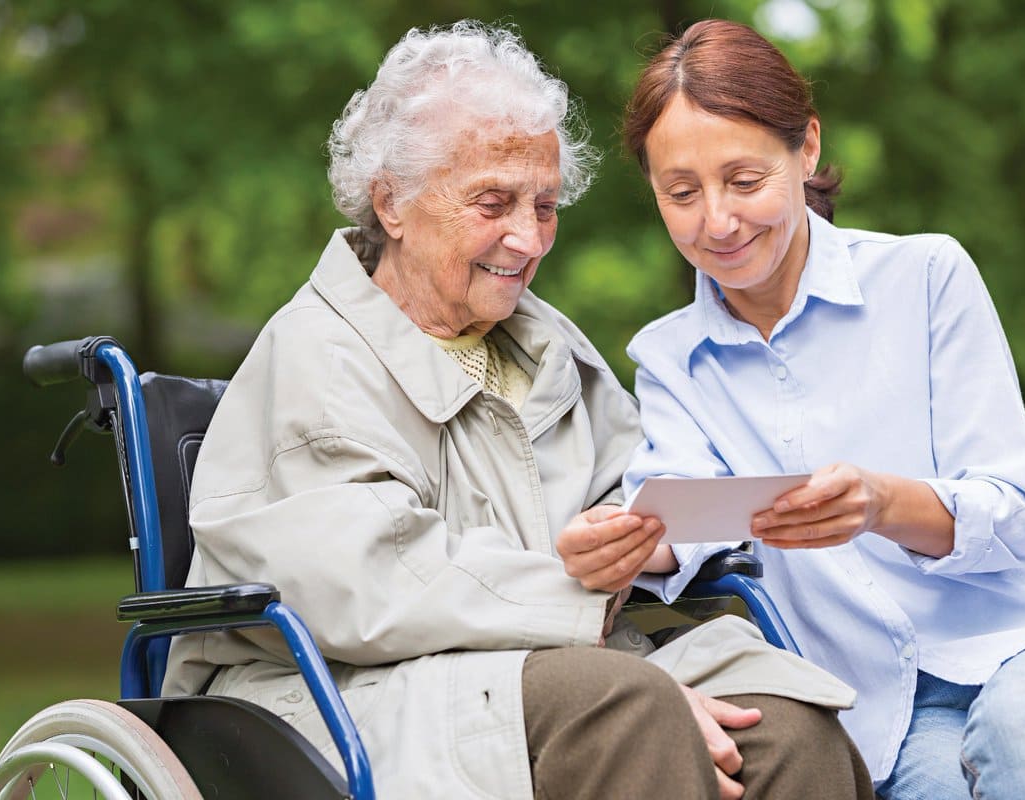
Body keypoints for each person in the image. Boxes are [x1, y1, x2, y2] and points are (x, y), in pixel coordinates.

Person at [162, 20, 874, 800]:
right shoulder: (316, 355)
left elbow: (629, 491)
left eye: (544, 204)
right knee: (629, 711)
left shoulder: (545, 342)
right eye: (493, 202)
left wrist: (630, 540)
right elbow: (368, 584)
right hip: (340, 694)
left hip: (556, 671)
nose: (528, 237)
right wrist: (577, 591)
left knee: (788, 729)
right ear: (392, 201)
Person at [621, 18, 1025, 800]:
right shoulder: (670, 359)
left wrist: (880, 504)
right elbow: (676, 524)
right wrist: (625, 543)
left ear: (805, 148)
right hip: (896, 716)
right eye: (681, 193)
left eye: (745, 181)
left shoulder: (926, 278)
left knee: (1016, 733)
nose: (717, 221)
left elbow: (1010, 511)